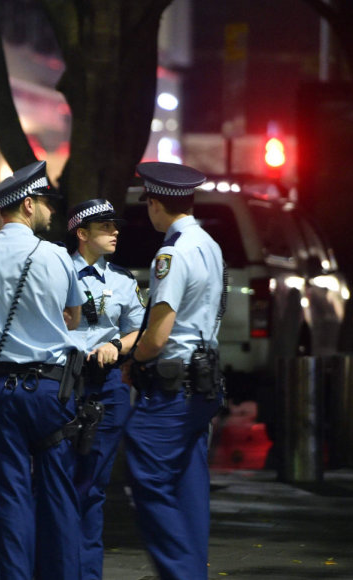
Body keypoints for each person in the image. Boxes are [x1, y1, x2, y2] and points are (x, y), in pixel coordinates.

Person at [0, 160, 85, 580]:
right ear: (28, 205)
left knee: (10, 500)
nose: (51, 210)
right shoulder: (56, 256)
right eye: (46, 202)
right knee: (59, 498)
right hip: (50, 392)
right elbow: (73, 316)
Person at [126, 162, 225, 580]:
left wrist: (132, 361)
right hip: (204, 384)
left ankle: (181, 573)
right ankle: (193, 570)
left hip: (172, 388)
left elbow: (158, 334)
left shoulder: (172, 252)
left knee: (145, 470)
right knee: (188, 482)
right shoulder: (209, 244)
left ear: (155, 203)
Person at [65, 198, 145, 580]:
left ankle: (87, 573)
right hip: (63, 383)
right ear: (82, 234)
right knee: (56, 481)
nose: (114, 232)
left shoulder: (123, 280)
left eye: (115, 226)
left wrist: (117, 346)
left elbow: (137, 329)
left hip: (107, 385)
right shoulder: (57, 272)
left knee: (94, 486)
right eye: (104, 227)